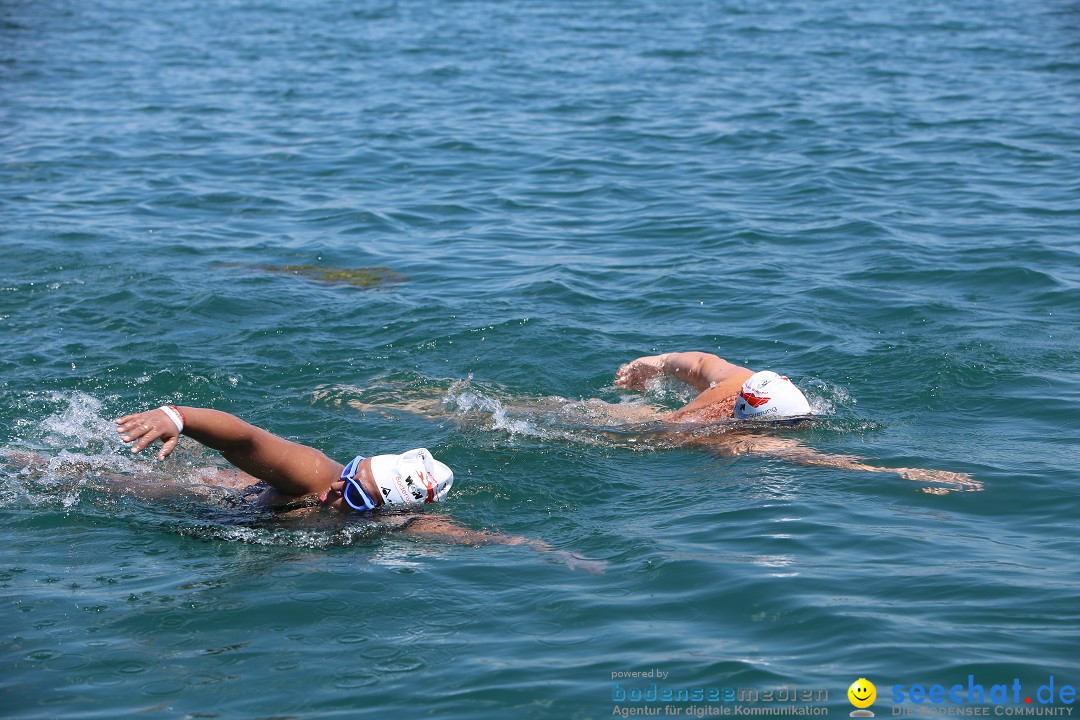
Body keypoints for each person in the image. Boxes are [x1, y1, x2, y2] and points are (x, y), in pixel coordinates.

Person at [112, 405, 604, 569]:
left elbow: (484, 538)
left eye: (354, 497)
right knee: (95, 482)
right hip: (227, 500)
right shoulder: (314, 476)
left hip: (259, 529)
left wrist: (554, 553)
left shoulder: (405, 523)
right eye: (348, 477)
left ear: (380, 512)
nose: (334, 494)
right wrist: (176, 416)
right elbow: (245, 438)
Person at [613, 351, 980, 492]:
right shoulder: (727, 439)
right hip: (650, 431)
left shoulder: (736, 379)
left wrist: (649, 363)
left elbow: (690, 362)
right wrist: (901, 472)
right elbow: (820, 461)